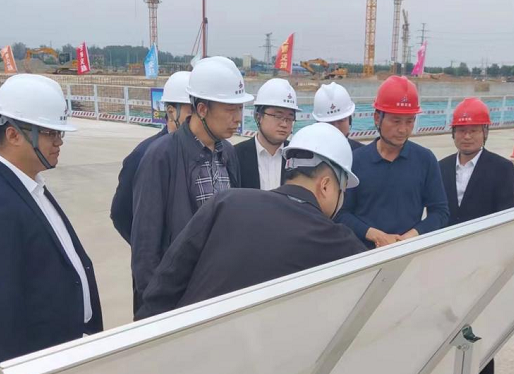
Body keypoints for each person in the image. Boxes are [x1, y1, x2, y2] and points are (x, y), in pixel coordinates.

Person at [136, 123, 367, 320]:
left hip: (186, 344)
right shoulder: (338, 242)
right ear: (326, 185)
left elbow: (166, 283)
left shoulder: (227, 202)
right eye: (342, 190)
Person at [0, 75, 102, 374]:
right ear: (13, 135)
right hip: (39, 362)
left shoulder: (29, 186)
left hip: (66, 352)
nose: (59, 142)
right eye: (50, 133)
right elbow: (2, 312)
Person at [130, 56, 253, 312]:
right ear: (202, 109)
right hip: (178, 299)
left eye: (240, 109)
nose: (238, 118)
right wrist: (157, 307)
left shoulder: (228, 154)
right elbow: (145, 246)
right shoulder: (161, 156)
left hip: (219, 289)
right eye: (230, 110)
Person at [439, 98, 514, 374]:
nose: (467, 136)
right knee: (445, 328)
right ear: (453, 133)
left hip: (482, 265)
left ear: (485, 132)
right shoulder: (441, 167)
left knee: (479, 331)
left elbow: (506, 221)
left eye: (473, 130)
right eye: (461, 130)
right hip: (447, 263)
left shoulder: (502, 169)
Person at [335, 76, 449, 249]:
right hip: (363, 253)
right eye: (396, 121)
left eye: (410, 121)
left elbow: (440, 212)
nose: (403, 129)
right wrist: (375, 235)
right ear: (377, 118)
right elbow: (341, 213)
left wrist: (410, 237)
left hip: (408, 251)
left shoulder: (425, 160)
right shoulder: (356, 160)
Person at [110, 71, 192, 244]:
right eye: (191, 112)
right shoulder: (144, 155)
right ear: (171, 112)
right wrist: (151, 249)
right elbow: (121, 213)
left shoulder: (208, 151)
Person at [234, 78, 299, 190]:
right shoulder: (235, 155)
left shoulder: (298, 156)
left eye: (289, 118)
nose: (284, 124)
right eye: (278, 116)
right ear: (258, 117)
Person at [312, 82, 364, 150]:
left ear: (350, 120)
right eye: (329, 123)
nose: (336, 127)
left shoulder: (362, 153)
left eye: (341, 120)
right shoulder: (308, 154)